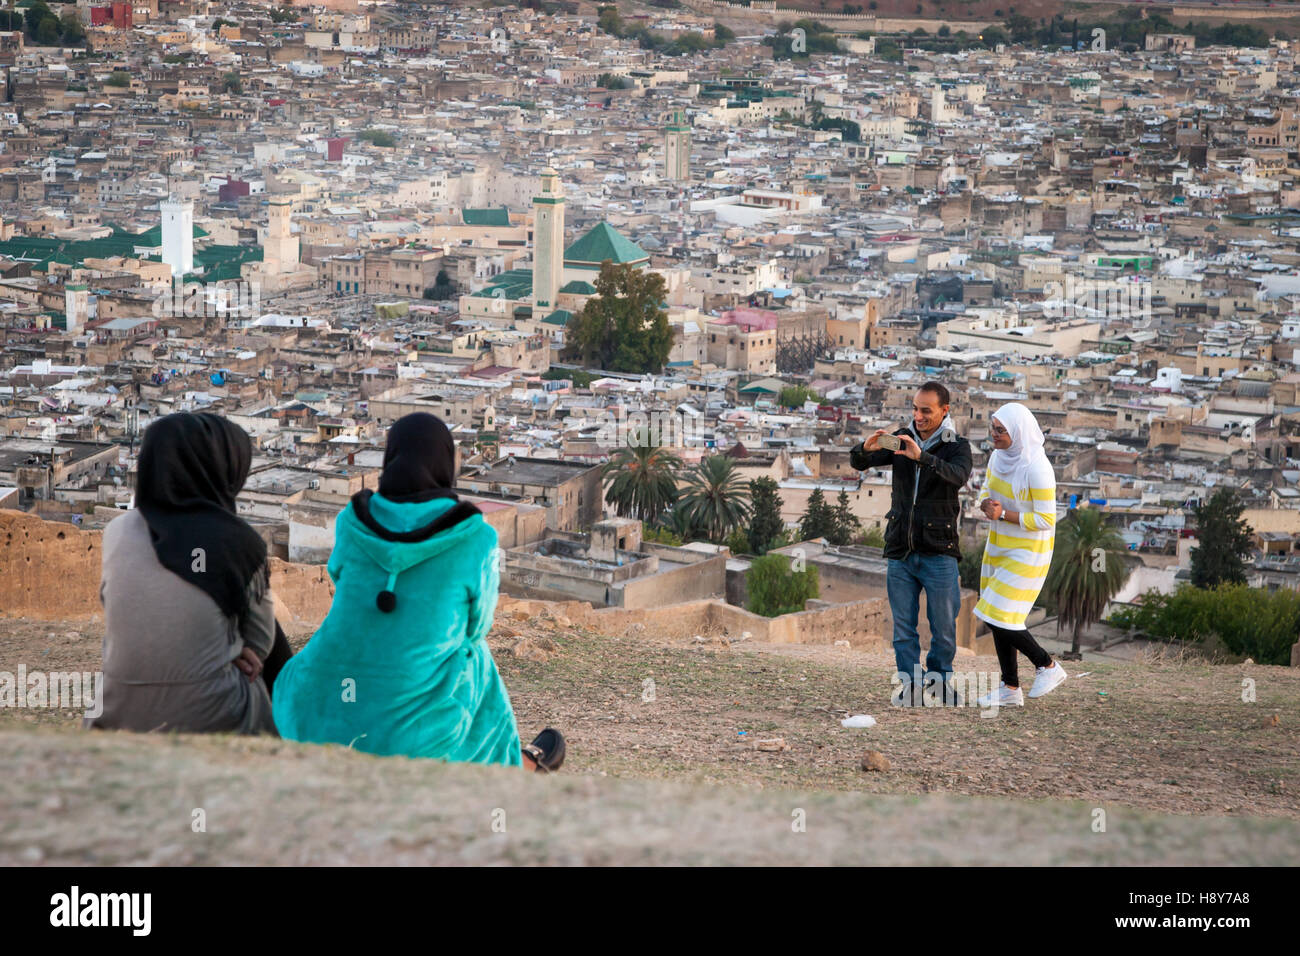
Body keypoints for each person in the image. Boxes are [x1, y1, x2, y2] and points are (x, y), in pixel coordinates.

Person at [271, 413, 564, 772]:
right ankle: (515, 766)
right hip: (413, 739)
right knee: (474, 660)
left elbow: (339, 577)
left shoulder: (352, 520)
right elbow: (476, 627)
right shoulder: (476, 537)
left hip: (317, 711)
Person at [89, 412, 291, 735]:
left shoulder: (116, 531)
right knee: (268, 639)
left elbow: (122, 608)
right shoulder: (239, 542)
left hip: (113, 714)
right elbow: (261, 645)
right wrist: (233, 649)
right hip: (212, 720)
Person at [851, 382, 972, 706]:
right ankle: (911, 687)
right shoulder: (902, 438)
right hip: (901, 550)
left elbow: (958, 476)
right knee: (903, 630)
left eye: (926, 411)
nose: (918, 416)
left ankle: (940, 683)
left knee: (944, 628)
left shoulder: (956, 446)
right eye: (915, 409)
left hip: (939, 551)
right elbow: (859, 463)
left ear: (945, 411)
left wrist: (923, 458)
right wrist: (867, 447)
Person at [972, 403, 1067, 707]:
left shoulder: (1037, 468)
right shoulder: (998, 458)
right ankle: (1010, 687)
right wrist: (986, 505)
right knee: (997, 615)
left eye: (1001, 430)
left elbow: (1046, 520)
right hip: (999, 546)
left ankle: (1047, 665)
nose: (994, 435)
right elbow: (985, 490)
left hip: (1027, 552)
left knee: (1000, 613)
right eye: (993, 428)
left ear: (1018, 432)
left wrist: (1005, 515)